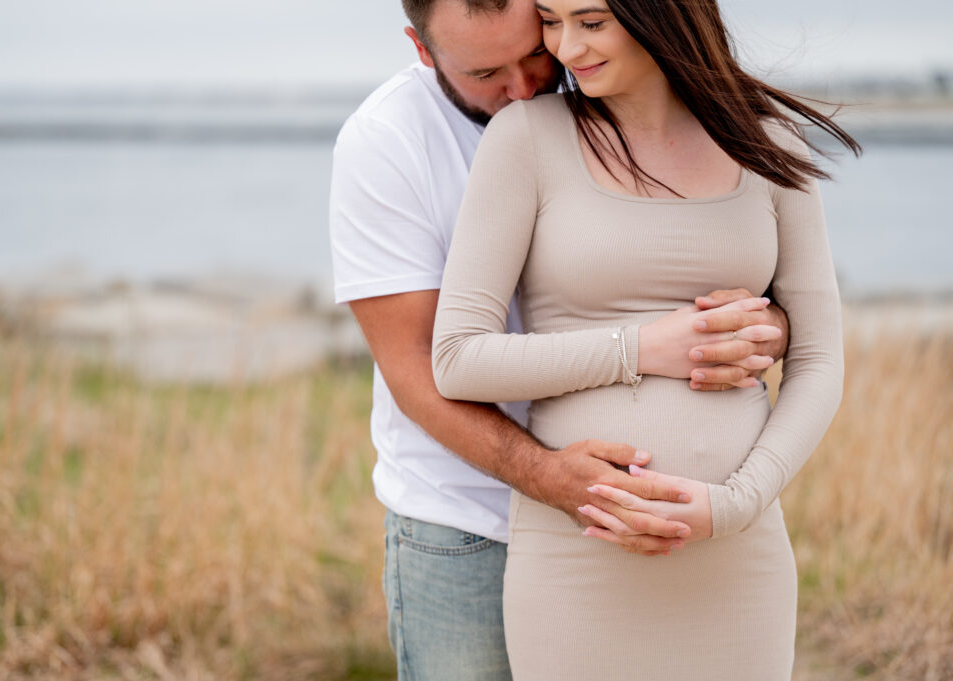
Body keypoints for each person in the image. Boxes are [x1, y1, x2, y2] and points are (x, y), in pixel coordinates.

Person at [329, 0, 790, 678]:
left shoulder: (593, 77)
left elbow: (699, 257)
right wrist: (548, 476)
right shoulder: (386, 141)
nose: (525, 86)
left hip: (645, 526)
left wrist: (765, 326)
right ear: (423, 50)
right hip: (465, 522)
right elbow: (418, 369)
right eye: (487, 71)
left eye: (533, 51)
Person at [430, 0, 859, 678]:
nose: (566, 48)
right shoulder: (527, 139)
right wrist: (639, 348)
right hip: (579, 558)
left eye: (591, 21)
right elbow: (457, 359)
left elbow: (819, 358)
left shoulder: (768, 141)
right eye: (551, 19)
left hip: (737, 559)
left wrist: (737, 503)